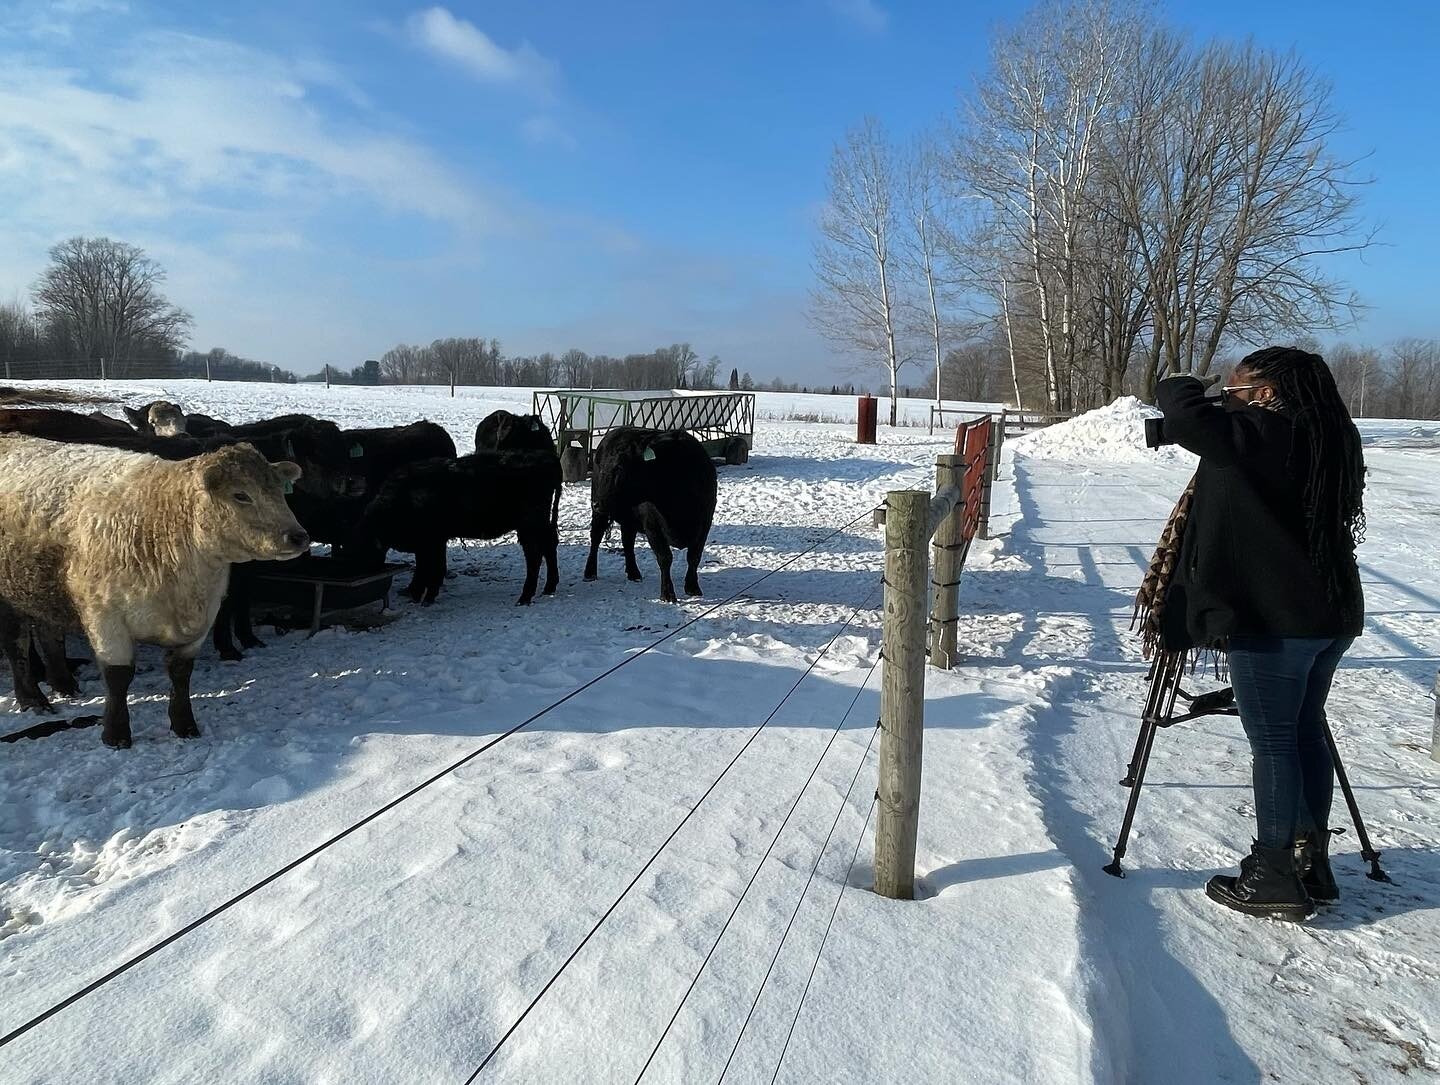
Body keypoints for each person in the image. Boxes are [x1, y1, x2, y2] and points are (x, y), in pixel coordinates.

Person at [1155, 346, 1366, 921]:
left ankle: (1272, 872)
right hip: (1330, 614)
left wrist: (1185, 383)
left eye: (1238, 388)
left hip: (1276, 619)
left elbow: (1183, 412)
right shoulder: (1331, 435)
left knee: (1274, 742)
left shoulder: (1260, 434)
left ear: (1267, 394)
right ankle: (1310, 864)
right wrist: (1230, 402)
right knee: (1303, 734)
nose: (1229, 396)